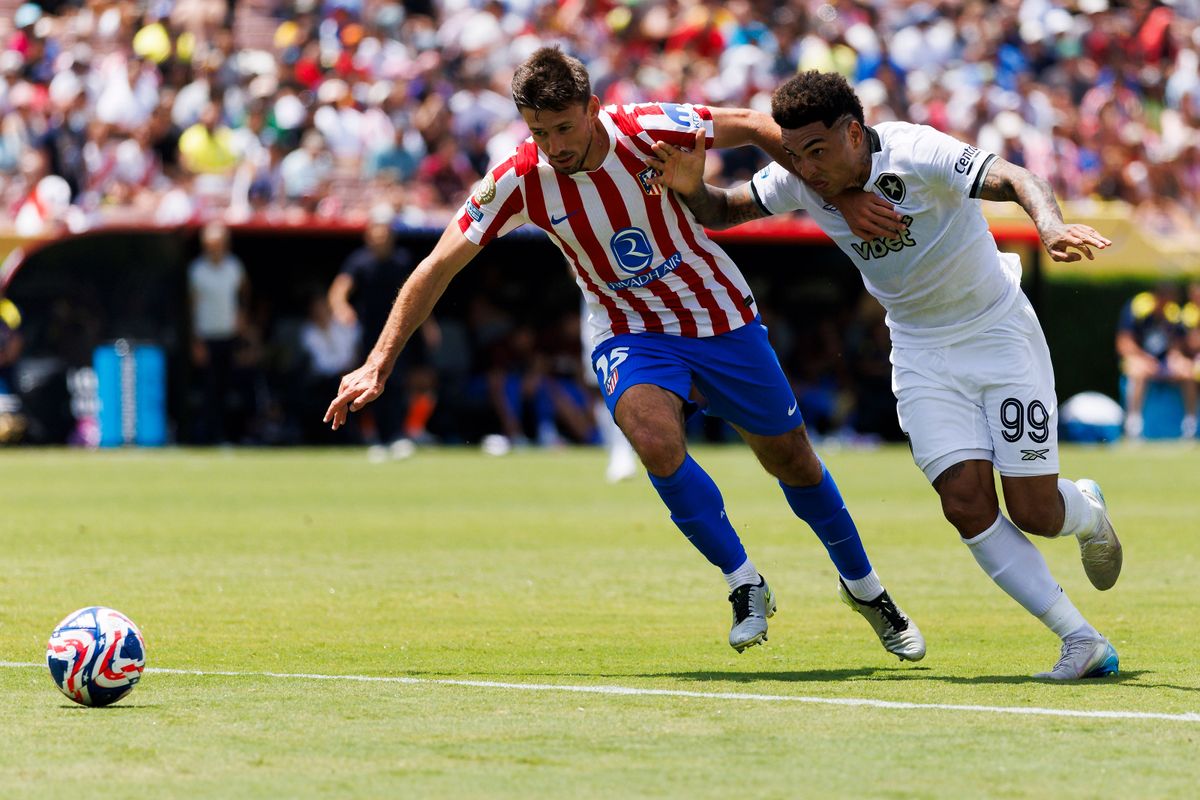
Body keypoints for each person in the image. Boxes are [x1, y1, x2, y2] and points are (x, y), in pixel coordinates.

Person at [326, 47, 925, 660]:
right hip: (628, 330)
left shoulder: (646, 128)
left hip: (719, 315)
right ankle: (744, 582)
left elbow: (753, 125)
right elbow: (437, 265)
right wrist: (379, 359)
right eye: (540, 131)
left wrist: (833, 192)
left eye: (564, 127)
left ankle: (865, 588)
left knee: (792, 461)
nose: (555, 144)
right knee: (653, 438)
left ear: (592, 108)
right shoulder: (521, 178)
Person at [647, 69, 1122, 679]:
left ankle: (1084, 511)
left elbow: (1014, 176)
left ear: (853, 131)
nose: (807, 169)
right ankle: (1080, 640)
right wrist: (693, 186)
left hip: (997, 332)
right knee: (964, 503)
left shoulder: (917, 150)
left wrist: (1050, 227)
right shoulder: (802, 178)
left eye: (817, 151)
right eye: (794, 155)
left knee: (1034, 509)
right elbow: (725, 210)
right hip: (920, 350)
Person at [328, 203, 440, 459]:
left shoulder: (402, 260)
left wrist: (430, 326)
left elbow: (418, 296)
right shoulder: (359, 261)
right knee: (375, 385)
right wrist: (342, 308)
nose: (381, 237)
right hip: (371, 336)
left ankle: (403, 433)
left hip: (402, 332)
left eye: (385, 233)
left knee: (407, 383)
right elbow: (338, 291)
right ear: (369, 235)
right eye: (376, 233)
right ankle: (381, 437)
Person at [188, 220, 248, 444]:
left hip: (230, 336)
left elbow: (243, 293)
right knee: (209, 390)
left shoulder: (234, 267)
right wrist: (195, 341)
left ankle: (230, 435)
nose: (214, 248)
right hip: (206, 337)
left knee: (229, 389)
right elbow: (191, 307)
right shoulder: (197, 271)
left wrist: (242, 317)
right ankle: (210, 436)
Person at [1117, 282, 1197, 439]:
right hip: (1141, 359)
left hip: (1163, 363)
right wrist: (1143, 357)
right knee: (1138, 371)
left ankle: (1190, 425)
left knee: (1188, 372)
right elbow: (1124, 343)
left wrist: (1175, 357)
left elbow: (1177, 346)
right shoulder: (1138, 310)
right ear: (1157, 297)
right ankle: (1133, 425)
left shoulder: (1171, 316)